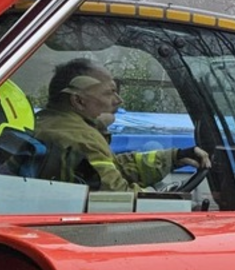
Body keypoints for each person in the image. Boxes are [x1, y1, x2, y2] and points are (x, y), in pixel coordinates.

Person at [34, 58, 210, 191]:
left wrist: (174, 157)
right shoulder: (82, 140)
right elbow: (117, 198)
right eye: (109, 92)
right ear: (79, 101)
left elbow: (114, 168)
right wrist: (170, 202)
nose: (118, 100)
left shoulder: (52, 124)